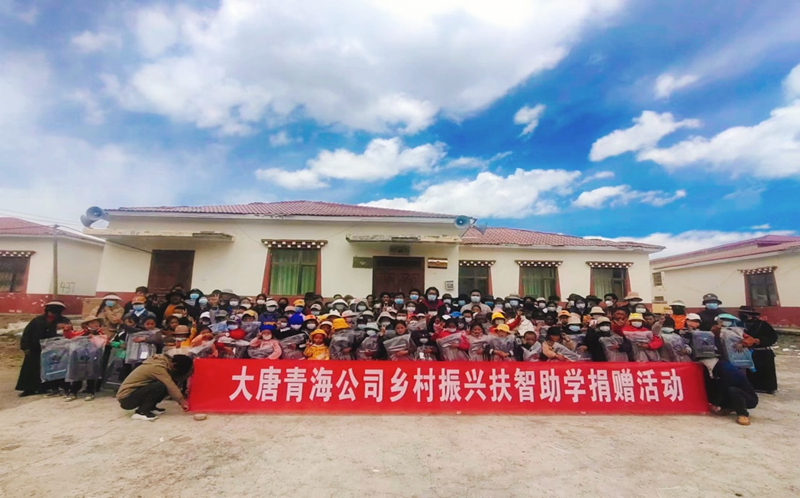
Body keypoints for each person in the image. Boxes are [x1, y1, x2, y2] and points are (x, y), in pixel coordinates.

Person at [116, 354, 193, 421]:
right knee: (161, 385)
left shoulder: (163, 362)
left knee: (163, 385)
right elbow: (170, 385)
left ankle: (150, 407)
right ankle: (141, 412)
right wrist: (182, 401)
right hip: (126, 399)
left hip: (134, 394)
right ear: (173, 365)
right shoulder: (157, 367)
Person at [16, 301, 67, 397]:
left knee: (51, 368)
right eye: (52, 311)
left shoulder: (63, 321)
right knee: (31, 369)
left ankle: (46, 388)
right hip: (35, 349)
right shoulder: (37, 320)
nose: (53, 314)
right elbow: (27, 333)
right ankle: (29, 389)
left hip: (53, 350)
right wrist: (25, 347)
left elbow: (67, 334)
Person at [699, 355, 758, 426]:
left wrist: (716, 403)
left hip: (748, 398)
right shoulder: (715, 368)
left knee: (732, 391)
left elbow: (724, 386)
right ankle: (729, 407)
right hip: (731, 392)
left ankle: (742, 414)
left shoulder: (726, 369)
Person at [65, 316, 108, 402]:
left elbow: (105, 342)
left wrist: (94, 339)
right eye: (93, 323)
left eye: (97, 322)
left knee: (92, 374)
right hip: (80, 356)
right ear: (87, 324)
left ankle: (90, 392)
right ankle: (73, 392)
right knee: (77, 373)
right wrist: (67, 330)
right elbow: (71, 337)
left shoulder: (101, 333)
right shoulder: (82, 333)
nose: (96, 324)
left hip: (94, 357)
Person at [738, 306, 778, 393]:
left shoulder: (763, 325)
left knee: (766, 371)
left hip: (763, 351)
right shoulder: (738, 324)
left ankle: (768, 388)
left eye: (744, 314)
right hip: (746, 351)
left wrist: (759, 341)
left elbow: (773, 337)